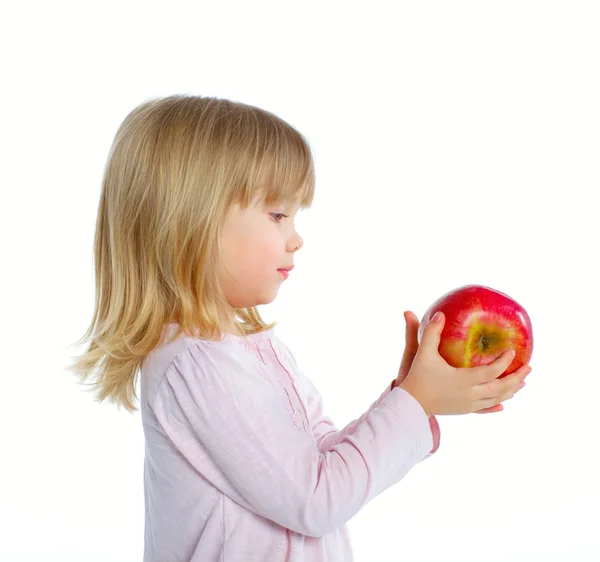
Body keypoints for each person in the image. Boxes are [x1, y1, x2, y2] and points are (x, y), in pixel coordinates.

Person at [67, 94, 532, 562]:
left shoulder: (241, 351)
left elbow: (323, 460)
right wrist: (416, 403)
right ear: (193, 222)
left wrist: (409, 395)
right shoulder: (197, 365)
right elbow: (316, 500)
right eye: (277, 215)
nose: (296, 236)